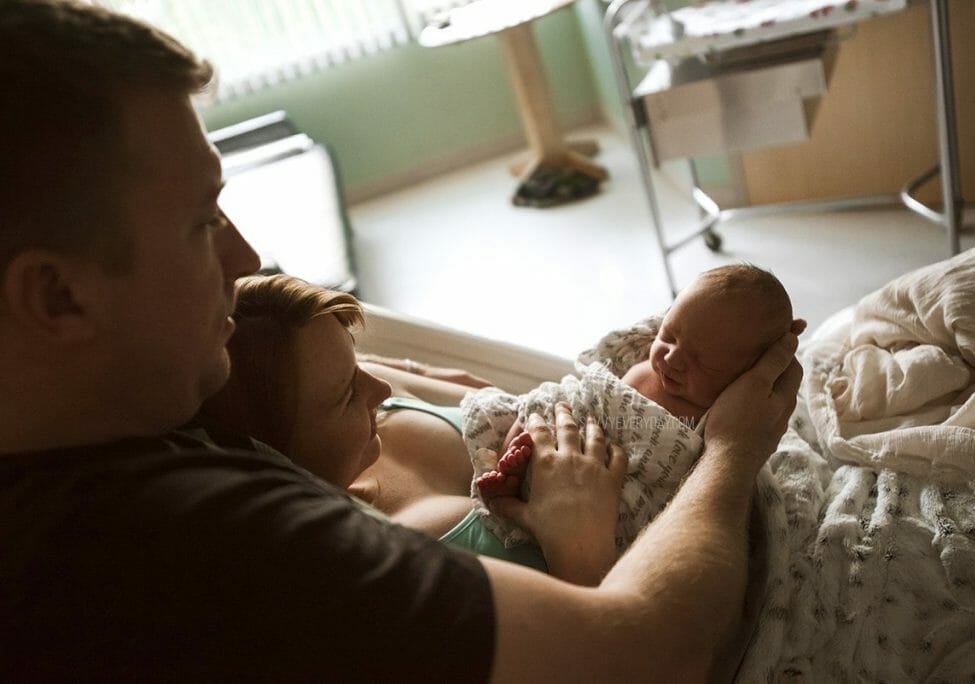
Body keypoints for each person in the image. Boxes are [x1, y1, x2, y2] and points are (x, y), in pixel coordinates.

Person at [0, 2, 803, 681]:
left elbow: (371, 360)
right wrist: (733, 450)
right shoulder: (202, 549)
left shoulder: (123, 401)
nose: (243, 262)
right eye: (201, 221)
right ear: (58, 295)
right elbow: (645, 656)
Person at [198, 274, 627, 583]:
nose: (381, 390)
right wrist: (582, 550)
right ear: (283, 458)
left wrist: (416, 366)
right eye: (347, 394)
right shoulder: (375, 567)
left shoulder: (362, 394)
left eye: (358, 359)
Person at [476, 264, 799, 502]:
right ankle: (509, 469)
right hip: (586, 417)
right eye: (670, 335)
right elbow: (593, 389)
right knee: (543, 407)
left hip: (611, 469)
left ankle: (525, 486)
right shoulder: (650, 352)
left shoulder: (718, 415)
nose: (672, 359)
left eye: (703, 362)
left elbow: (692, 476)